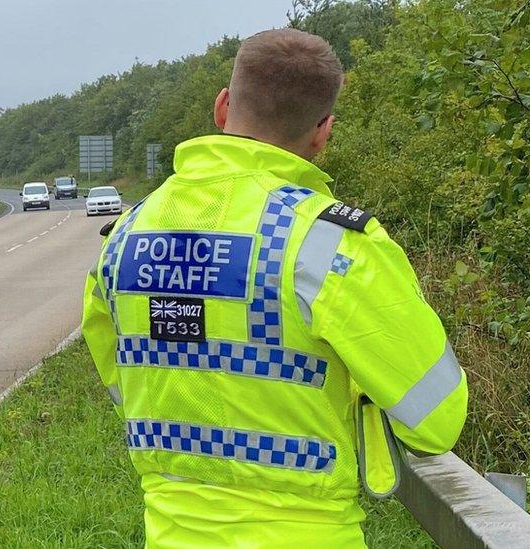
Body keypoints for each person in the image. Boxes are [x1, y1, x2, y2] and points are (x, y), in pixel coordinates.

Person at [81, 28, 467, 548]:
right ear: (322, 132)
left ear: (222, 108)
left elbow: (124, 378)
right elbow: (436, 420)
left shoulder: (127, 235)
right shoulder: (332, 246)